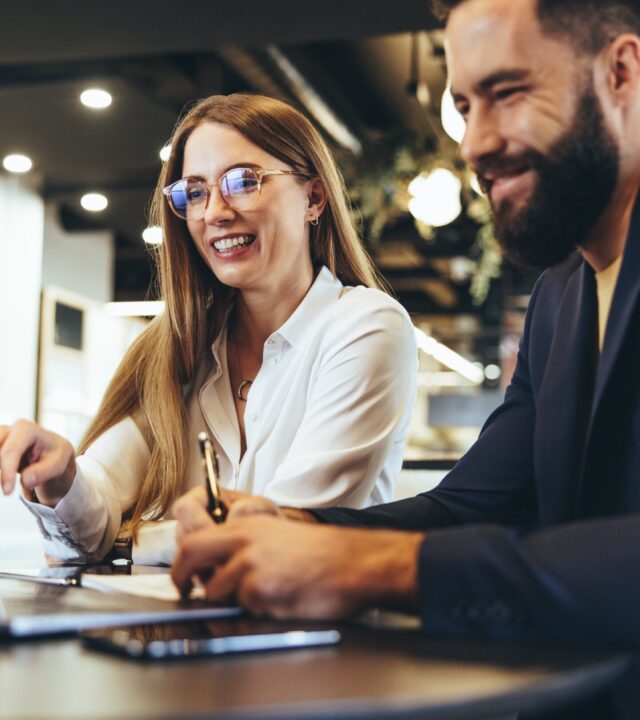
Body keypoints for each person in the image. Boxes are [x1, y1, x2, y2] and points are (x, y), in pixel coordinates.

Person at [171, 1, 640, 717]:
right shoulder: (561, 296)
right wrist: (297, 528)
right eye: (462, 108)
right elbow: (474, 505)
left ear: (622, 73)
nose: (476, 143)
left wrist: (386, 568)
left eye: (507, 93)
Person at [0, 94, 417, 564]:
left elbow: (282, 536)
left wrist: (129, 541)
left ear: (313, 198)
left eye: (242, 181)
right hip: (192, 633)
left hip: (325, 633)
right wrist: (61, 477)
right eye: (193, 192)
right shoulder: (180, 348)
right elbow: (92, 508)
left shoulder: (367, 327)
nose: (214, 212)